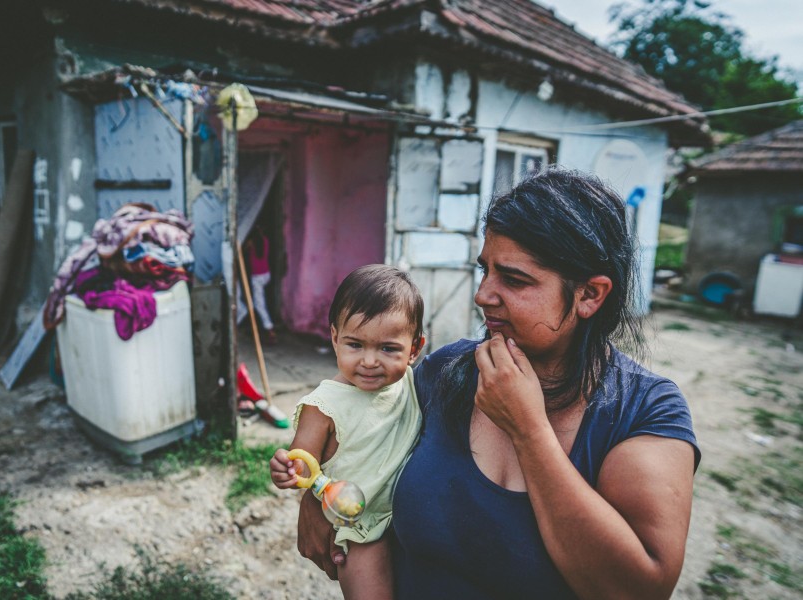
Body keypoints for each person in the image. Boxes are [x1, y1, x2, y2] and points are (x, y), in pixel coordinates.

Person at [296, 168, 701, 599]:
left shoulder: (644, 411)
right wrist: (315, 497)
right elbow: (356, 427)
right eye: (485, 270)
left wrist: (529, 429)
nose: (483, 294)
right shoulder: (444, 372)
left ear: (589, 295)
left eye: (514, 279)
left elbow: (638, 590)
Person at [270, 264, 426, 600]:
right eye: (355, 345)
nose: (369, 361)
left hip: (409, 517)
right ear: (335, 338)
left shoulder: (412, 384)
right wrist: (287, 469)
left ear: (414, 349)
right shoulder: (324, 405)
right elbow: (302, 464)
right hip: (359, 529)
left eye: (388, 348)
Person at [237, 224, 277, 344]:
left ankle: (269, 328)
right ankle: (265, 327)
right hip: (266, 274)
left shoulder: (251, 243)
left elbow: (241, 251)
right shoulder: (265, 241)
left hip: (257, 277)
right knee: (259, 301)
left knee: (259, 304)